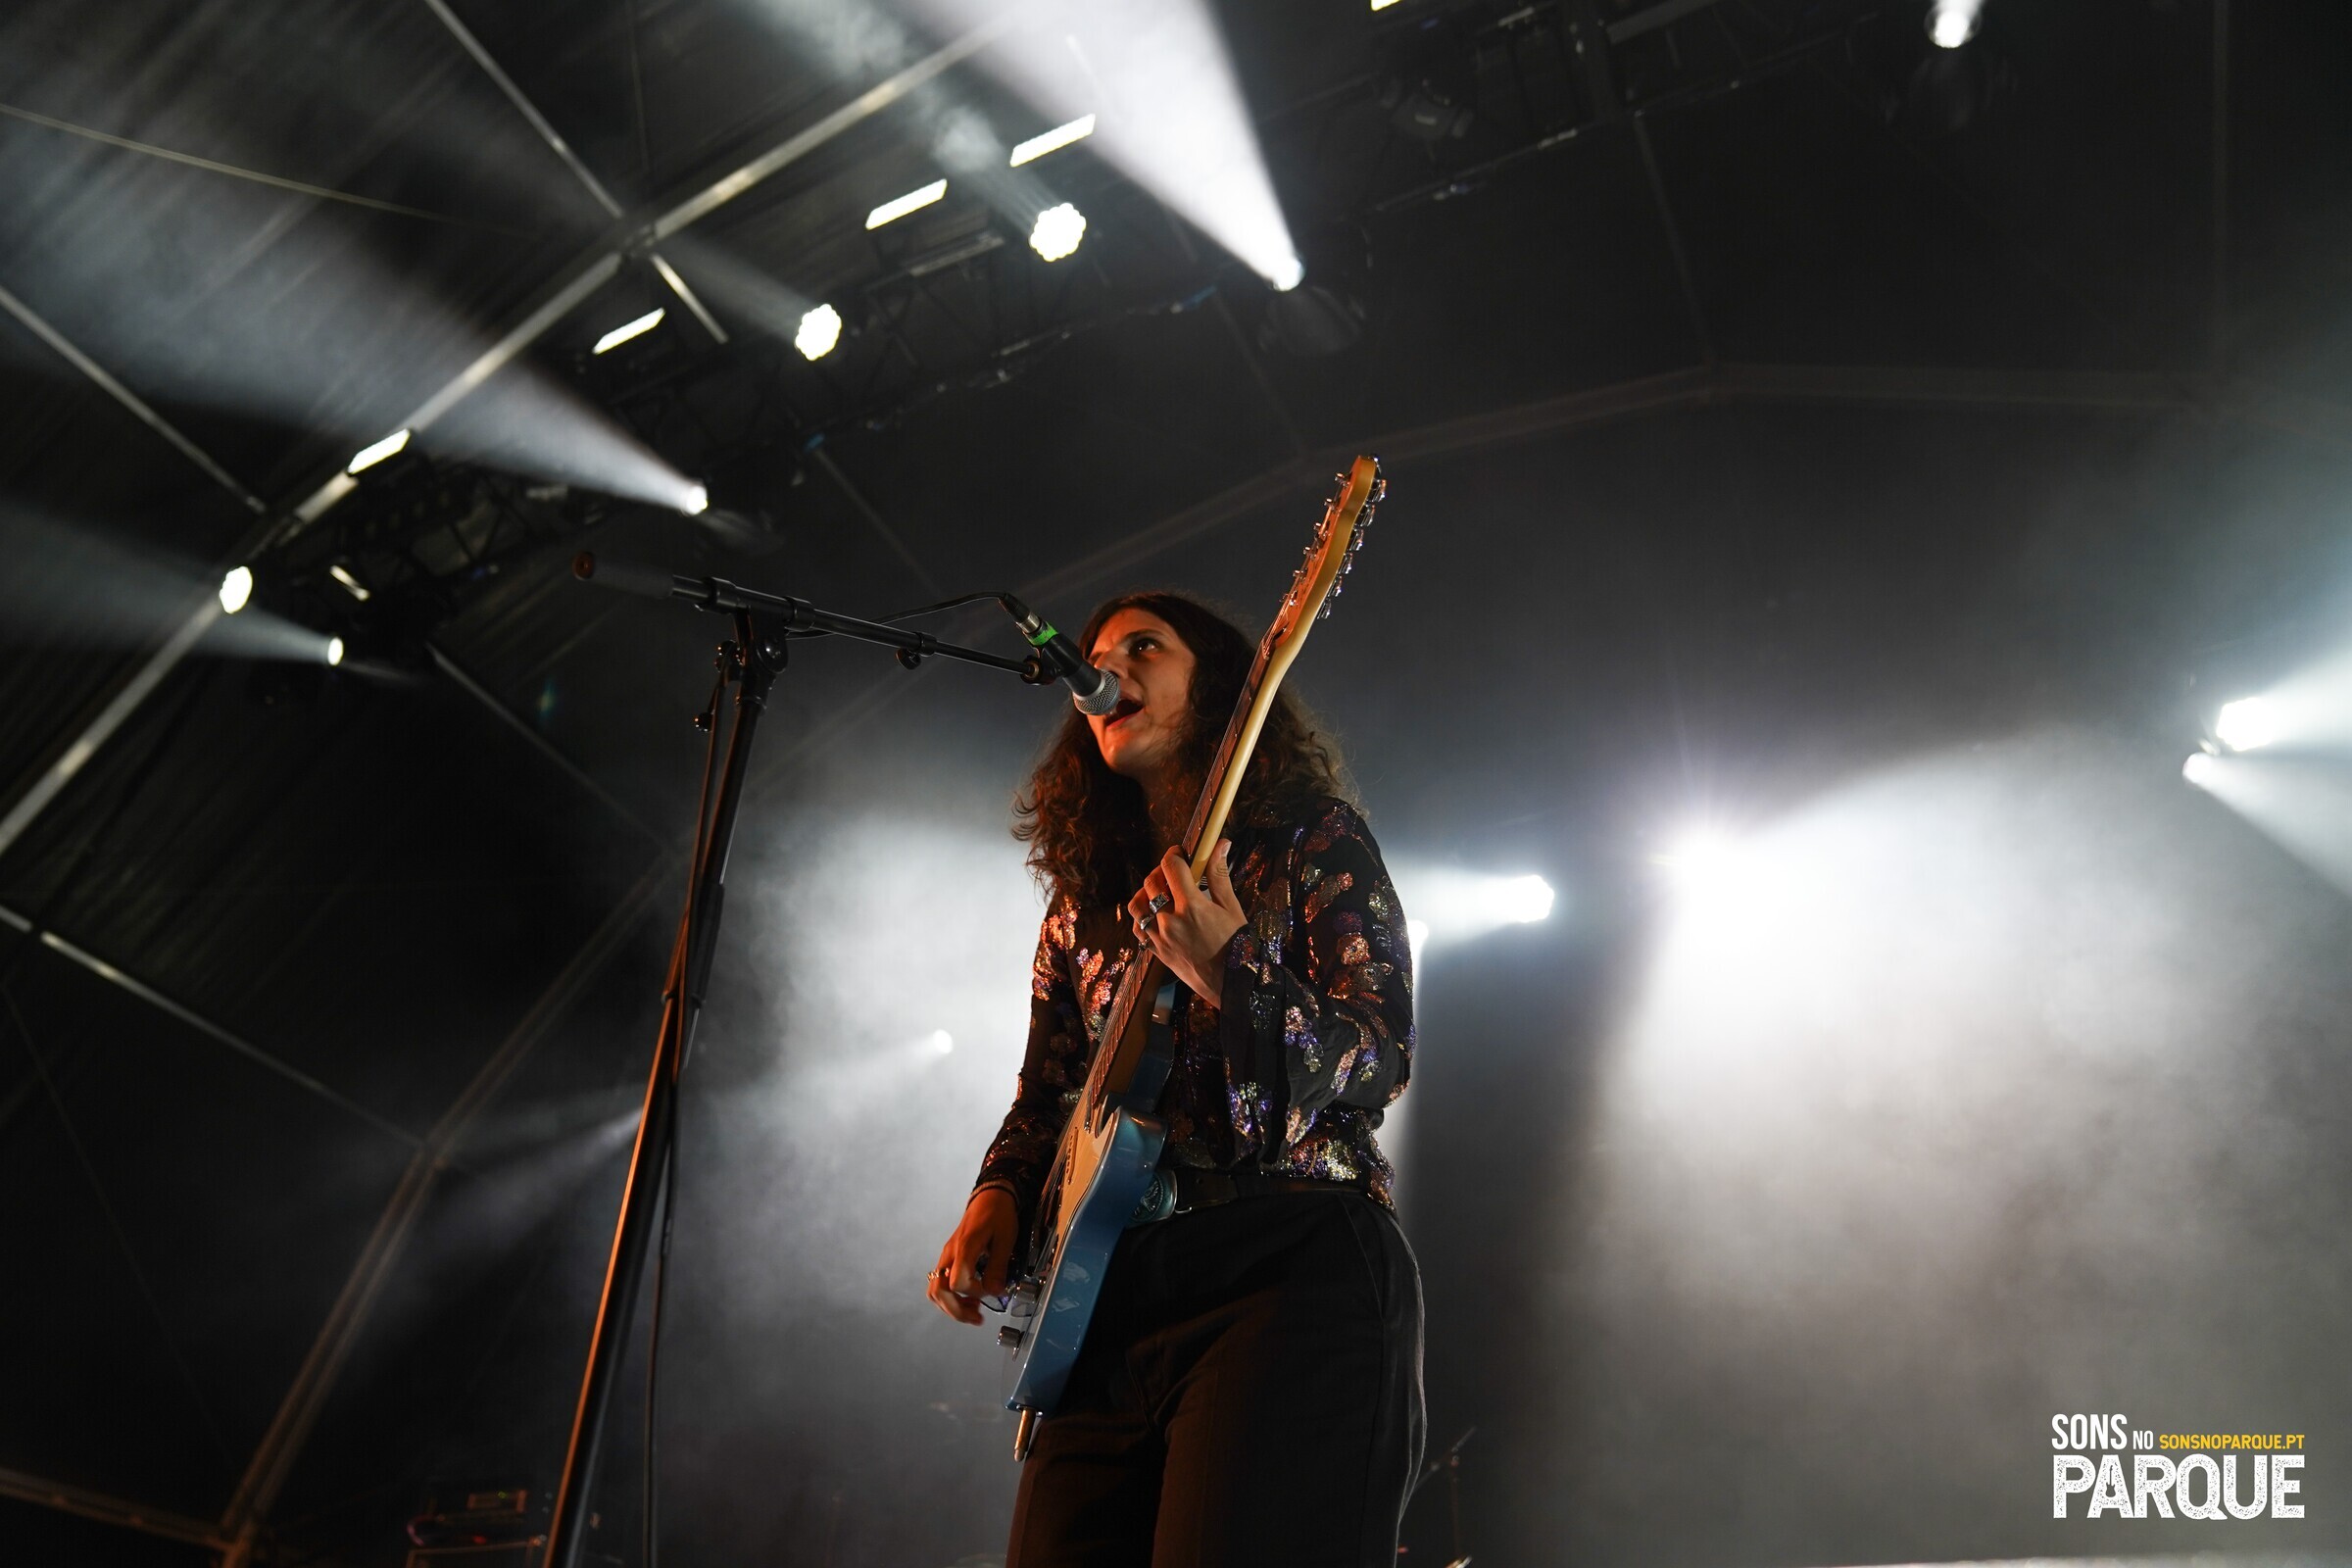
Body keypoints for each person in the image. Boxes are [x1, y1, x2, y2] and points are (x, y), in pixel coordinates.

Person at [925, 591, 1425, 1568]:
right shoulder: (1079, 909)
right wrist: (1001, 1190)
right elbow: (1047, 1093)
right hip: (1107, 1302)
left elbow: (1380, 1052)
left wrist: (1229, 965)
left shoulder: (1309, 837)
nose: (1107, 670)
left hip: (1287, 1265)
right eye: (1098, 655)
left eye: (1144, 647)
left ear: (1218, 685)